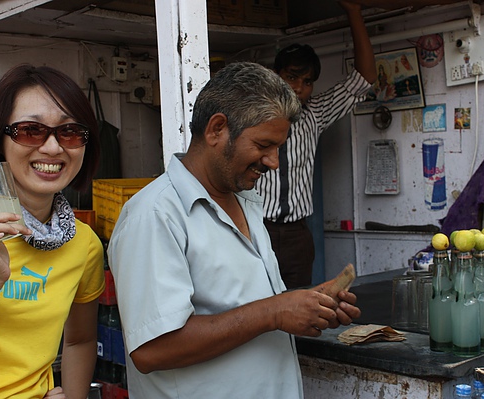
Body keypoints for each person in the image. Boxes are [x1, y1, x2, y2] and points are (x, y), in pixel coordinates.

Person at [107, 62, 361, 399]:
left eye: (277, 149)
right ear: (216, 129)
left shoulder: (247, 203)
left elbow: (247, 309)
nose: (273, 162)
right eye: (263, 145)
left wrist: (307, 306)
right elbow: (151, 350)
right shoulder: (155, 214)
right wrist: (275, 312)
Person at [0, 64, 105, 398]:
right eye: (31, 130)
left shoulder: (83, 243)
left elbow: (80, 339)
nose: (53, 148)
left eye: (70, 132)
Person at [255, 0, 376, 288]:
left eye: (307, 81)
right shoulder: (253, 114)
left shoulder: (316, 113)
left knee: (299, 306)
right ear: (276, 77)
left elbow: (365, 79)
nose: (298, 87)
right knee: (256, 304)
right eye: (292, 77)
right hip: (256, 229)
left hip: (298, 234)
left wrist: (353, 12)